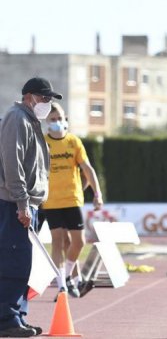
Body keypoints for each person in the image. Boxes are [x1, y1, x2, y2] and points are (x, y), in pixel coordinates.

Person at [0, 77, 62, 337]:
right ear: (30, 97)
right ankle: (7, 320)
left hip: (27, 203)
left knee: (23, 262)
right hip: (15, 202)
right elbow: (12, 163)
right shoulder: (17, 118)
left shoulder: (29, 120)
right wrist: (23, 203)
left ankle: (17, 317)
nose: (47, 104)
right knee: (15, 260)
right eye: (44, 98)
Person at [42, 102, 103, 299]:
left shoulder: (74, 142)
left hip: (72, 199)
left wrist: (97, 193)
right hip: (51, 201)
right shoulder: (43, 143)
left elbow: (87, 169)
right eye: (52, 119)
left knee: (79, 241)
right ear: (46, 122)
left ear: (65, 120)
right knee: (58, 242)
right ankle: (61, 286)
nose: (56, 122)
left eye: (59, 119)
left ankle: (68, 276)